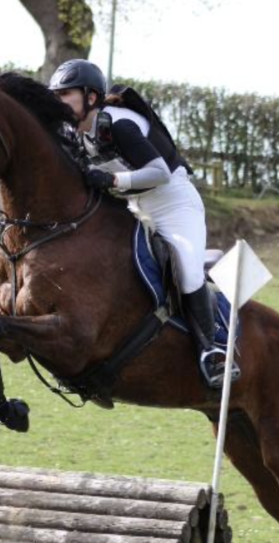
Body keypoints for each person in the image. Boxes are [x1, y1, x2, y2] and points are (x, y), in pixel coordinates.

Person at [49, 59, 233, 387]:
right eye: (56, 95)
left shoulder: (119, 124)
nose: (58, 101)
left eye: (66, 94)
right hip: (135, 207)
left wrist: (112, 180)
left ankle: (213, 349)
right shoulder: (78, 133)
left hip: (175, 204)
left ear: (90, 97)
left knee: (187, 269)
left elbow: (159, 173)